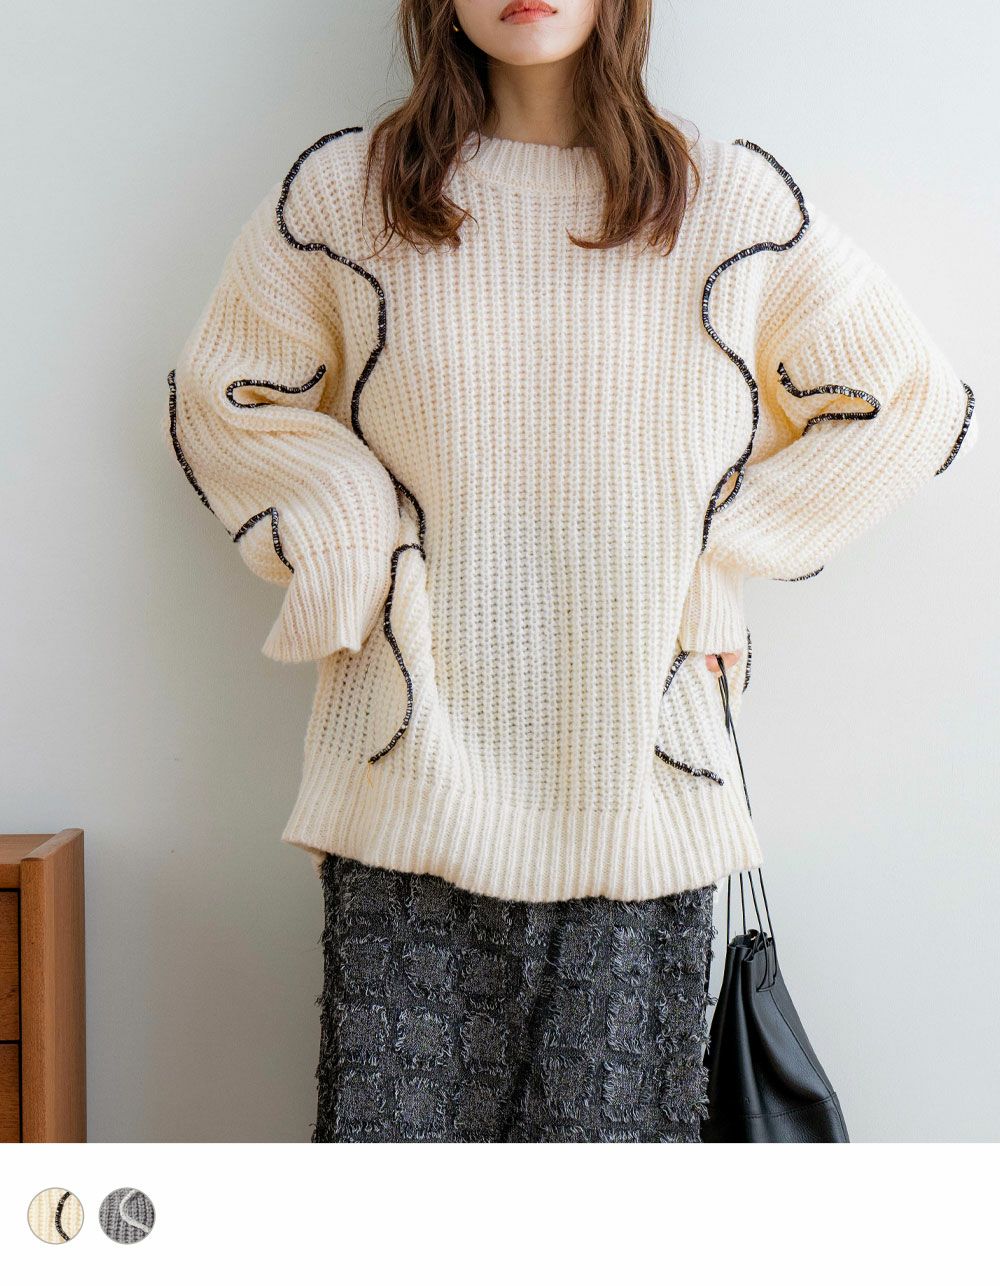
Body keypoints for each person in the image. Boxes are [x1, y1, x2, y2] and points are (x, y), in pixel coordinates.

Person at [163, 0, 977, 1142]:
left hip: (643, 784)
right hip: (412, 776)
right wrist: (346, 519)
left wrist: (728, 555)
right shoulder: (350, 194)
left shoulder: (726, 199)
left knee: (609, 1213)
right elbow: (227, 398)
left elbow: (909, 402)